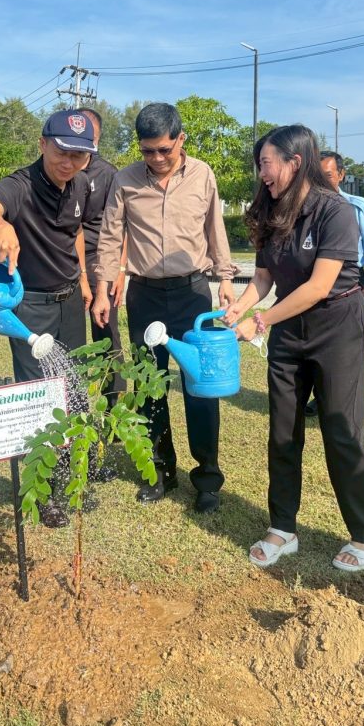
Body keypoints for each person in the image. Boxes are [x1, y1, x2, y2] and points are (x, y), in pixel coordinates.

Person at [225, 124, 364, 572]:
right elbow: (264, 277)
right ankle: (283, 528)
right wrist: (240, 306)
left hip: (337, 326)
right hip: (289, 331)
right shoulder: (269, 208)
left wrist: (260, 321)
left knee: (341, 430)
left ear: (294, 162)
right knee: (282, 431)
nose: (262, 174)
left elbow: (318, 286)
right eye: (260, 165)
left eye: (266, 164)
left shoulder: (335, 211)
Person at [92, 102, 236, 514]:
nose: (155, 158)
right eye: (147, 151)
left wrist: (226, 278)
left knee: (199, 387)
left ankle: (207, 477)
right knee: (149, 386)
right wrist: (102, 290)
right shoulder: (124, 180)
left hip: (193, 295)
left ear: (180, 140)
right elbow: (110, 237)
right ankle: (160, 470)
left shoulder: (203, 175)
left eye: (164, 150)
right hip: (146, 296)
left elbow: (215, 229)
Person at [0, 108, 98, 527]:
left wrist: (83, 280)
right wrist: (1, 226)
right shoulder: (19, 185)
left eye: (79, 155)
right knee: (39, 399)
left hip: (69, 301)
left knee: (74, 388)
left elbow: (75, 231)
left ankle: (73, 476)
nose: (69, 162)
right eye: (62, 151)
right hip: (30, 306)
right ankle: (42, 493)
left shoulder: (80, 184)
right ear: (43, 144)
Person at [305, 150, 364, 416]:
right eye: (316, 176)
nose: (321, 181)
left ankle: (339, 402)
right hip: (315, 280)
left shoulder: (357, 207)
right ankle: (318, 394)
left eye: (328, 175)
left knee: (346, 348)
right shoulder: (305, 206)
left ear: (341, 175)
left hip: (351, 280)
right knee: (313, 340)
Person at [80, 108, 127, 409]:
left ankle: (115, 399)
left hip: (102, 257)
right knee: (69, 330)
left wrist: (120, 270)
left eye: (90, 136)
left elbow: (125, 224)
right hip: (67, 258)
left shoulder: (109, 174)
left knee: (106, 327)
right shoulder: (62, 167)